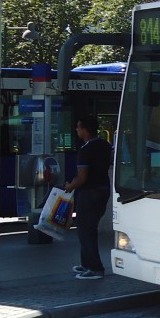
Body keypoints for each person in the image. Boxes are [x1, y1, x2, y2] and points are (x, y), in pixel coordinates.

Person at [64, 114, 113, 280]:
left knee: (86, 231)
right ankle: (86, 264)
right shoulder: (105, 145)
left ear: (85, 130)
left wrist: (70, 186)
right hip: (103, 190)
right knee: (88, 229)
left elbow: (82, 178)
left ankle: (95, 268)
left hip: (89, 193)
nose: (77, 130)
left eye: (78, 127)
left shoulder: (85, 150)